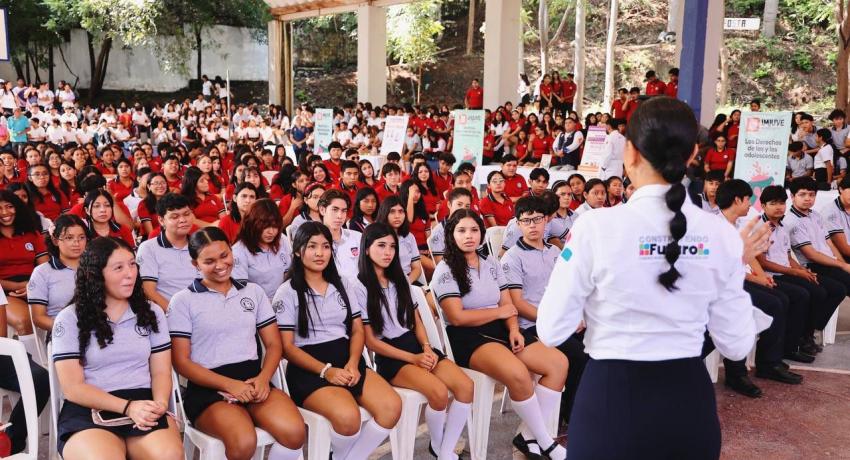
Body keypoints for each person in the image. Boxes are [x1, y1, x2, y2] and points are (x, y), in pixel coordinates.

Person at [536, 97, 767, 459]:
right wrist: (735, 264)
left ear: (629, 153)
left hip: (610, 403)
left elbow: (550, 330)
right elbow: (737, 346)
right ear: (693, 154)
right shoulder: (720, 234)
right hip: (687, 406)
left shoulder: (595, 227)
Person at [431, 209, 568, 460]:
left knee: (558, 363)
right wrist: (499, 313)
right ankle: (545, 441)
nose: (469, 236)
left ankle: (527, 435)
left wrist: (514, 329)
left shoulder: (491, 263)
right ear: (451, 235)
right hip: (468, 337)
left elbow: (508, 305)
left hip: (502, 330)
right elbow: (459, 317)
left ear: (481, 235)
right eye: (461, 231)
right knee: (519, 375)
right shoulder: (445, 270)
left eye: (474, 230)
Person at [169, 227, 305, 460]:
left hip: (253, 381)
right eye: (209, 261)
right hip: (208, 388)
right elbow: (181, 362)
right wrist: (231, 386)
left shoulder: (253, 292)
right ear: (196, 265)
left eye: (224, 256)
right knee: (244, 443)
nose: (220, 265)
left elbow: (274, 345)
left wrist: (264, 378)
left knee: (295, 434)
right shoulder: (183, 301)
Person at [273, 222, 402, 460]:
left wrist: (354, 362)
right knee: (348, 418)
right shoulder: (287, 292)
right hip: (309, 368)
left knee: (392, 407)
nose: (320, 253)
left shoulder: (343, 283)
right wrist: (326, 372)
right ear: (298, 251)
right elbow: (287, 348)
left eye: (325, 246)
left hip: (346, 358)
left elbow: (356, 330)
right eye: (312, 247)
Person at [51, 237, 183, 460]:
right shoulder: (70, 318)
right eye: (118, 268)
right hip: (89, 408)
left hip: (142, 403)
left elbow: (160, 371)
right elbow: (73, 388)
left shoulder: (151, 312)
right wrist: (127, 407)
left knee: (168, 455)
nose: (130, 274)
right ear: (96, 274)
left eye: (132, 264)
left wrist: (159, 404)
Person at [355, 223, 473, 459]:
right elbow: (372, 343)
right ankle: (441, 449)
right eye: (381, 246)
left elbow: (417, 321)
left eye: (392, 246)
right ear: (366, 249)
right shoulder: (359, 287)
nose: (388, 252)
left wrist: (427, 347)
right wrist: (414, 358)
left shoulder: (400, 280)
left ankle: (444, 449)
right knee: (438, 392)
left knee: (466, 387)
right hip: (392, 356)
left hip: (416, 346)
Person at [500, 197, 588, 428]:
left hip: (557, 319)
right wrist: (556, 319)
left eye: (537, 219)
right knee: (578, 356)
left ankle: (580, 408)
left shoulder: (554, 252)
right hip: (532, 325)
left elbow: (566, 288)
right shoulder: (512, 258)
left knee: (596, 346)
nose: (532, 225)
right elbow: (517, 303)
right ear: (518, 224)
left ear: (546, 221)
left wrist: (573, 315)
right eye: (526, 220)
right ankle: (566, 416)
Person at [714, 180, 806, 398]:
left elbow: (750, 257)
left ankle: (769, 362)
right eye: (748, 200)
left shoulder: (738, 224)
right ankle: (736, 373)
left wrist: (763, 277)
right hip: (722, 285)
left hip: (739, 279)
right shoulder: (715, 228)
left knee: (780, 299)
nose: (749, 205)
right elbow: (727, 267)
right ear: (737, 200)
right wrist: (757, 280)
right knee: (767, 304)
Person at [757, 184, 843, 357]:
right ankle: (792, 344)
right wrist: (796, 272)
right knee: (803, 294)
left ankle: (803, 336)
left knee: (818, 288)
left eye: (782, 202)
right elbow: (764, 263)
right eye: (773, 203)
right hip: (772, 275)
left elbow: (788, 257)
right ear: (763, 205)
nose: (779, 207)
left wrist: (803, 271)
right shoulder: (761, 228)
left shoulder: (781, 228)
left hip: (786, 271)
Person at [0, 189, 49, 357]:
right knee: (23, 320)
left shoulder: (31, 233)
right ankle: (34, 368)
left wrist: (32, 286)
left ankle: (55, 357)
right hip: (4, 292)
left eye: (9, 206)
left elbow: (45, 268)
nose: (5, 213)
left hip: (35, 286)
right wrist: (19, 286)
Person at [28, 215, 89, 338]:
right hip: (62, 334)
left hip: (98, 330)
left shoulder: (97, 267)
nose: (76, 243)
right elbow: (38, 317)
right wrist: (70, 329)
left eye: (81, 237)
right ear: (55, 240)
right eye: (69, 238)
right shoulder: (42, 272)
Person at [137, 193, 200, 311]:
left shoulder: (201, 245)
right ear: (161, 220)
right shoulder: (148, 248)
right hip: (170, 314)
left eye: (187, 214)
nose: (183, 220)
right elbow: (148, 291)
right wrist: (176, 314)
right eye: (174, 217)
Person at [231, 199, 293, 301]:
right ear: (252, 223)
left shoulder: (282, 239)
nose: (271, 232)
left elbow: (288, 275)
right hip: (257, 304)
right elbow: (242, 291)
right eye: (265, 226)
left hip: (284, 299)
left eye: (275, 226)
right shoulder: (239, 251)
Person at [375, 195, 424, 284]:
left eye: (401, 212)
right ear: (384, 213)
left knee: (429, 296)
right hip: (385, 283)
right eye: (392, 212)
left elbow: (417, 268)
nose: (397, 216)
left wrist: (407, 283)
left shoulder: (409, 237)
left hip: (408, 280)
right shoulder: (376, 237)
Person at [318, 189, 362, 280]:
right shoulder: (313, 241)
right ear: (322, 210)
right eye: (335, 209)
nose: (340, 216)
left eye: (344, 211)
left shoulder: (358, 237)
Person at [430, 188, 473, 265]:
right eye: (459, 204)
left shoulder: (473, 227)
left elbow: (482, 254)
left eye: (467, 206)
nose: (463, 209)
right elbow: (440, 263)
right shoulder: (438, 231)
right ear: (449, 205)